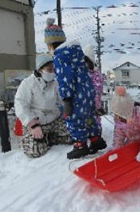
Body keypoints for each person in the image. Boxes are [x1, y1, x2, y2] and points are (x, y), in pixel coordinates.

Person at [44, 18, 107, 159]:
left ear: (51, 44)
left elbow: (65, 79)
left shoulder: (60, 57)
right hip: (88, 91)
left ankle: (80, 145)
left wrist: (66, 98)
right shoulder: (77, 54)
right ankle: (96, 140)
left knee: (75, 118)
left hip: (75, 95)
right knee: (89, 116)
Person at [14, 54, 71, 158]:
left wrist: (70, 107)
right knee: (35, 151)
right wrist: (33, 125)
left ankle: (52, 137)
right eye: (49, 69)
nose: (52, 72)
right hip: (37, 122)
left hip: (54, 119)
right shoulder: (28, 83)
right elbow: (20, 104)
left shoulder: (55, 83)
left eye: (54, 69)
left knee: (74, 133)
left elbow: (63, 99)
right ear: (40, 69)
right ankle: (38, 139)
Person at [84, 44, 105, 130]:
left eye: (87, 62)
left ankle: (95, 131)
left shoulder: (96, 75)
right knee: (86, 120)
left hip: (94, 104)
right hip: (84, 104)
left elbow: (98, 91)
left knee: (94, 120)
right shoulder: (82, 73)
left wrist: (96, 105)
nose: (85, 64)